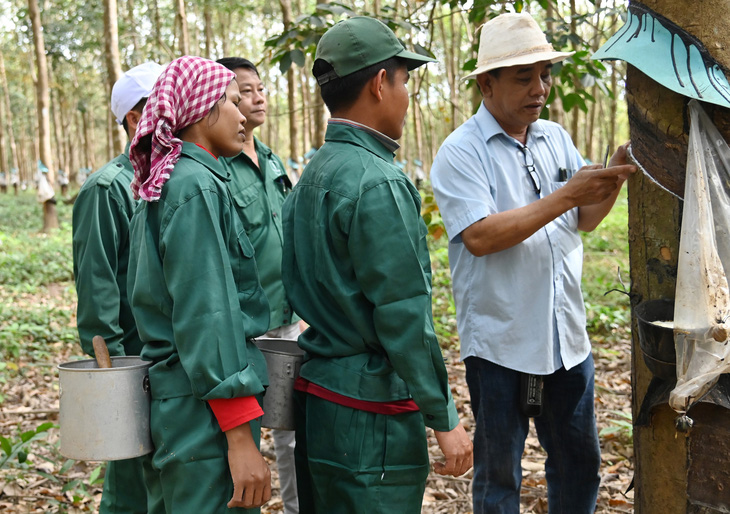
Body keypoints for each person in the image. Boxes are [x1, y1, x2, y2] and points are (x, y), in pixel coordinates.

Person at [430, 12, 637, 513]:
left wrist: (612, 172)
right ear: (486, 83)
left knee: (578, 464)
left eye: (545, 74)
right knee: (500, 474)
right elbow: (479, 236)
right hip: (502, 342)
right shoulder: (461, 152)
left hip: (565, 337)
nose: (539, 88)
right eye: (524, 76)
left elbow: (583, 220)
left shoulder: (554, 138)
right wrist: (567, 196)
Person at [281, 16, 473, 514]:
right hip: (369, 415)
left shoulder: (310, 176)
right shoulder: (377, 182)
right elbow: (403, 313)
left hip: (321, 401)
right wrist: (444, 418)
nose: (408, 94)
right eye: (405, 80)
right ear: (380, 82)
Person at [126, 56, 272, 513]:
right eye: (231, 102)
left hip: (186, 403)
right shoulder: (194, 188)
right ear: (202, 110)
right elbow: (208, 314)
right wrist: (239, 435)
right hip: (203, 413)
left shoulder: (180, 181)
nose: (242, 114)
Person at [71, 61, 163, 514]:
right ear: (134, 118)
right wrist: (118, 386)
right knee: (132, 490)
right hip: (135, 372)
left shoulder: (168, 181)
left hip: (170, 370)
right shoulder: (107, 190)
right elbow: (98, 299)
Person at [217, 56, 301, 514]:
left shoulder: (270, 160)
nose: (258, 97)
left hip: (285, 324)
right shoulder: (216, 170)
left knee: (290, 436)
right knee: (240, 440)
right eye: (244, 91)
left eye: (260, 88)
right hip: (241, 333)